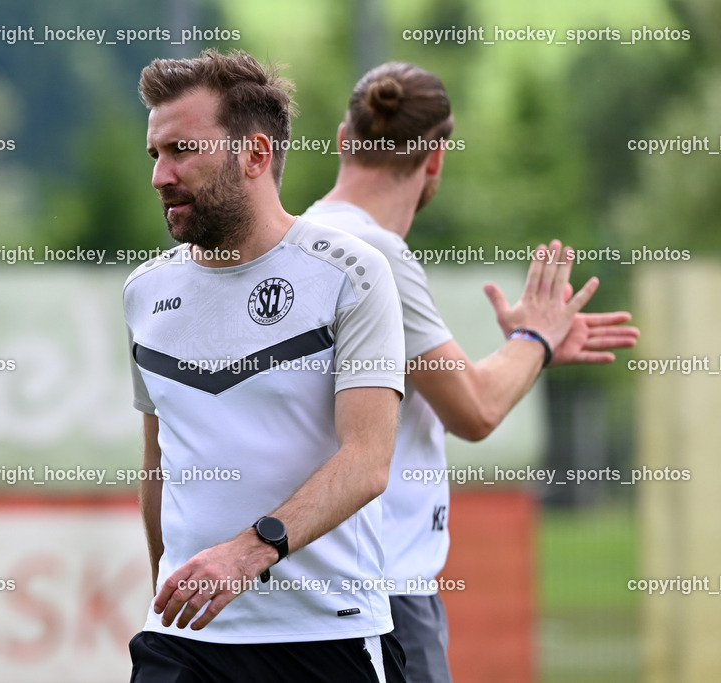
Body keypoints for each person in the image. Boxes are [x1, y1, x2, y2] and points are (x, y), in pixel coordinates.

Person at [303, 61, 640, 682]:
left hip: (320, 594)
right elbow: (475, 410)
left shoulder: (302, 238)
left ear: (345, 139)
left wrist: (526, 353)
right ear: (435, 158)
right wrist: (537, 337)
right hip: (389, 593)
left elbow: (430, 396)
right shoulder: (376, 253)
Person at [123, 48, 410, 681]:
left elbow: (367, 461)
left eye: (182, 151)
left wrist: (248, 554)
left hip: (325, 638)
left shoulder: (351, 272)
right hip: (183, 645)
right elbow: (159, 464)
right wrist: (163, 595)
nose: (160, 176)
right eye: (155, 154)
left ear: (255, 154)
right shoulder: (143, 293)